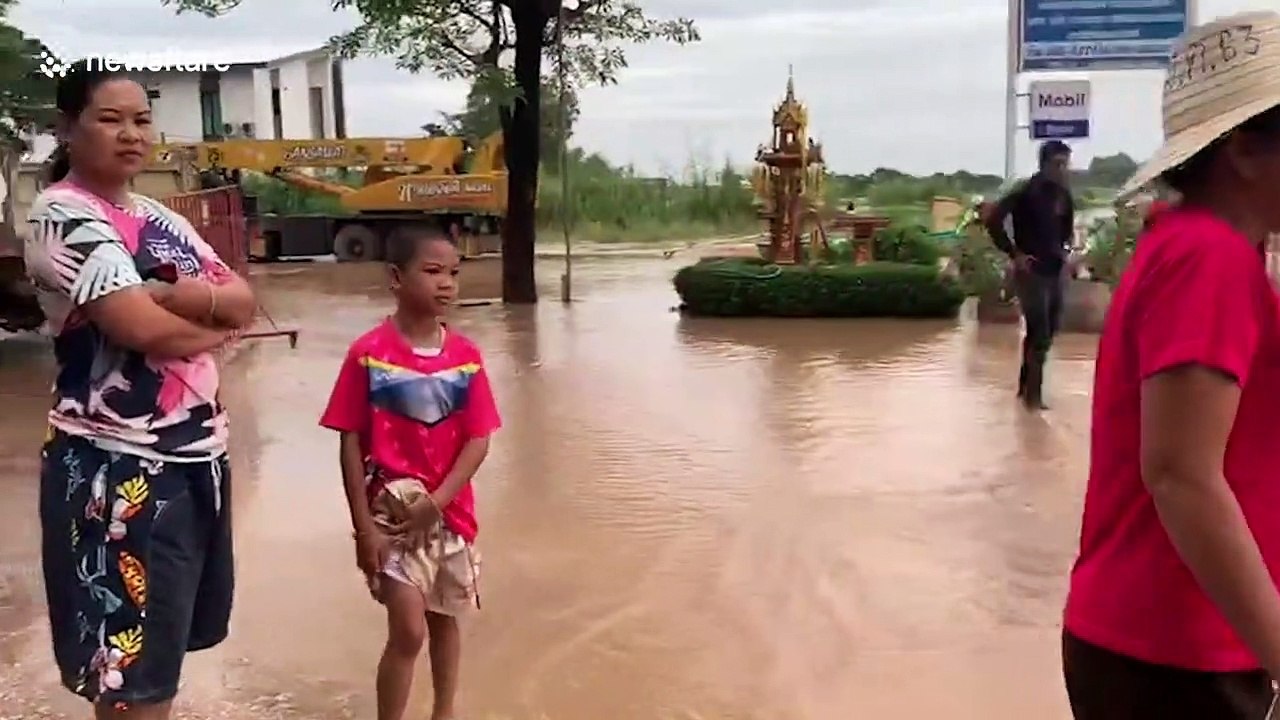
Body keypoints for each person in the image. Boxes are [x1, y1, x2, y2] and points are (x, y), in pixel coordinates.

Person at [1062, 11, 1280, 719]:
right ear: (1246, 152)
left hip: (1170, 640)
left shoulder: (1204, 250)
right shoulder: (1209, 262)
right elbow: (1182, 476)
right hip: (1174, 654)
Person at [26, 62, 258, 718]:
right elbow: (139, 327)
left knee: (161, 657)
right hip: (116, 469)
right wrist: (209, 325)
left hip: (195, 460)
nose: (131, 133)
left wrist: (186, 296)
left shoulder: (157, 216)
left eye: (141, 119)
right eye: (110, 119)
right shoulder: (63, 214)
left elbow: (241, 296)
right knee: (131, 682)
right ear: (67, 129)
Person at [319, 225, 500, 720]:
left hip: (451, 517)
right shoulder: (368, 354)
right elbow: (350, 443)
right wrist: (363, 530)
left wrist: (436, 504)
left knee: (446, 621)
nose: (447, 284)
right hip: (390, 519)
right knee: (408, 629)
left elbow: (479, 439)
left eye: (455, 274)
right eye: (433, 271)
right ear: (397, 278)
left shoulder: (466, 357)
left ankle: (445, 712)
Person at [984, 140, 1075, 410]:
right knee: (1040, 332)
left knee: (1050, 330)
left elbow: (1067, 228)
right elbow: (993, 220)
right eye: (1057, 164)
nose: (1062, 169)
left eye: (1065, 164)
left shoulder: (1063, 194)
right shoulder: (1025, 190)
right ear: (1044, 164)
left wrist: (1067, 252)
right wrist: (1014, 254)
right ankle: (1033, 401)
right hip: (1031, 271)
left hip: (1055, 269)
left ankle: (1026, 387)